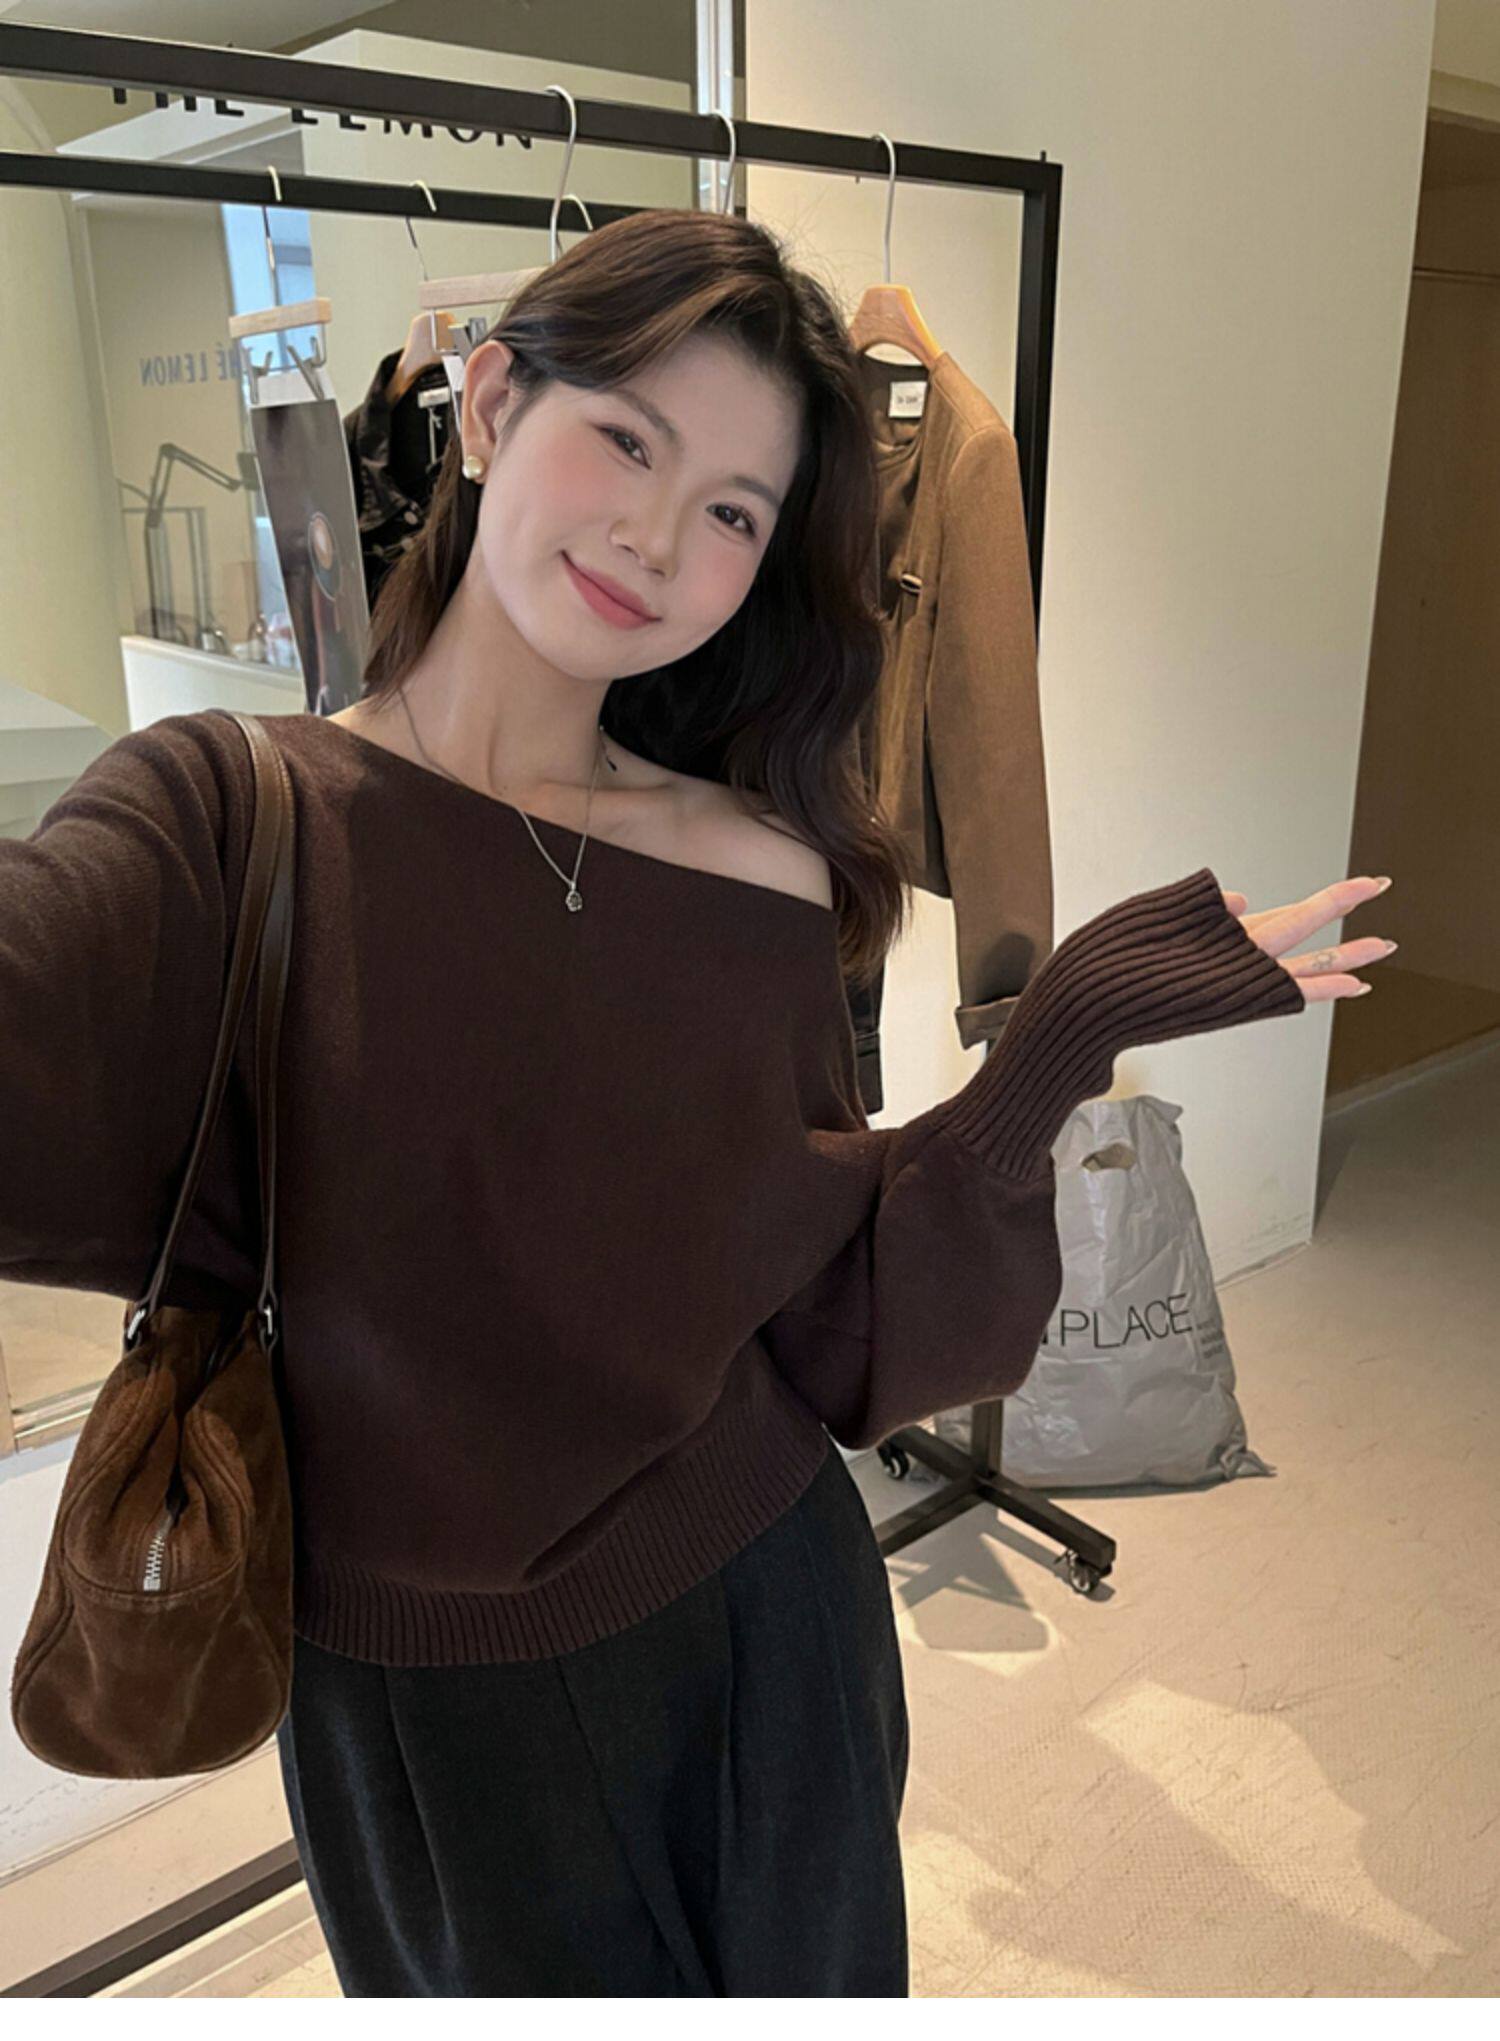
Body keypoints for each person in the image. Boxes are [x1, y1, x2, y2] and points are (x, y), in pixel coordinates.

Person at [0, 208, 1392, 1997]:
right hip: (429, 1721)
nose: (660, 539)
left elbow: (827, 1307)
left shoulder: (758, 866)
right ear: (491, 402)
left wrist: (1066, 1029)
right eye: (629, 440)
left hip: (768, 1619)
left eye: (735, 512)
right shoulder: (229, 820)